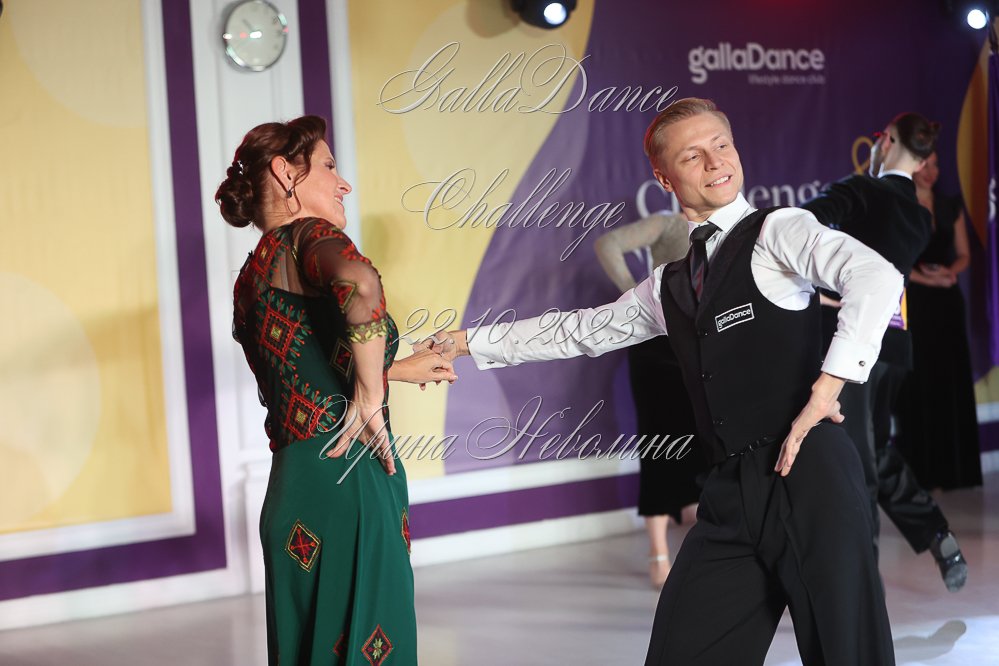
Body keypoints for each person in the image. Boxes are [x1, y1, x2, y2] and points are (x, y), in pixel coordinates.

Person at [422, 98, 900, 665]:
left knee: (849, 653)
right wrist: (466, 342)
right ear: (664, 178)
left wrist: (827, 389)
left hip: (811, 477)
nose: (715, 162)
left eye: (721, 145)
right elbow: (579, 331)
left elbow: (876, 276)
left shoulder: (779, 230)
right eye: (692, 155)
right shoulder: (666, 285)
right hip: (729, 489)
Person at [215, 115, 455, 665]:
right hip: (351, 477)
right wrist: (371, 398)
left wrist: (395, 370)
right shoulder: (309, 235)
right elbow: (360, 283)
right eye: (328, 166)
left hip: (296, 488)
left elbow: (302, 372)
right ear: (286, 173)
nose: (343, 183)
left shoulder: (252, 276)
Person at [802, 116, 968, 592]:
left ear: (887, 141)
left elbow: (797, 228)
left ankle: (862, 589)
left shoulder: (861, 189)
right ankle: (935, 531)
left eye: (879, 139)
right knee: (871, 449)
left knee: (855, 459)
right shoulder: (920, 215)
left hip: (850, 343)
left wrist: (818, 289)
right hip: (893, 343)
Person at [594, 213, 706, 587]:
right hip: (658, 347)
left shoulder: (734, 227)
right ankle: (658, 552)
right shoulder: (671, 224)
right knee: (660, 443)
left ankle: (705, 543)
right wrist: (637, 300)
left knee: (708, 442)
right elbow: (607, 244)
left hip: (704, 343)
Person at [895, 151, 983, 490]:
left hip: (947, 302)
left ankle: (955, 471)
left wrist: (949, 273)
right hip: (915, 301)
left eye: (935, 164)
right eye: (924, 164)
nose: (931, 171)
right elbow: (896, 259)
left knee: (950, 378)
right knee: (920, 379)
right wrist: (926, 278)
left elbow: (964, 254)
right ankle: (924, 472)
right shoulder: (901, 205)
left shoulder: (949, 206)